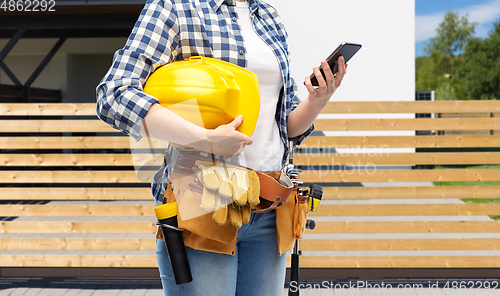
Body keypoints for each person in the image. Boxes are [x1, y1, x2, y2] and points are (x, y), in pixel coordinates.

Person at [96, 0, 347, 295]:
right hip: (204, 201)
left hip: (269, 202)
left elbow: (285, 126)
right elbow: (114, 94)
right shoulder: (175, 7)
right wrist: (206, 139)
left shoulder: (268, 16)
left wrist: (318, 101)